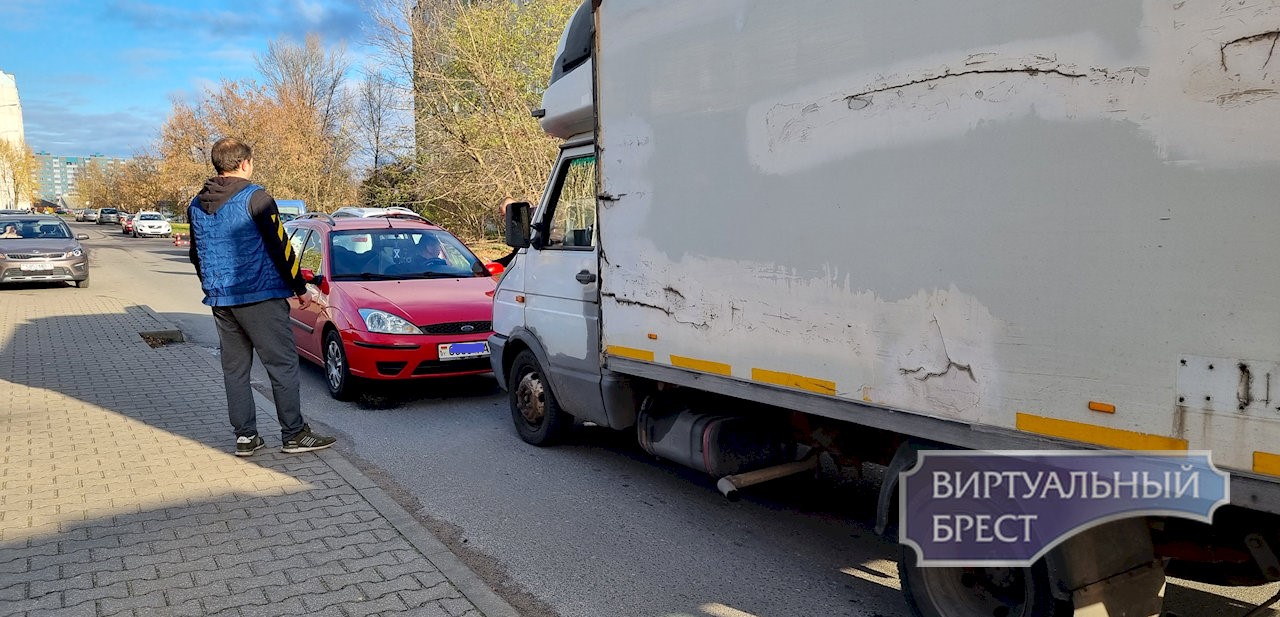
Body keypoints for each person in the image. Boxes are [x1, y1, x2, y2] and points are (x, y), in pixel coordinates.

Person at [188, 137, 336, 457]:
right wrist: (299, 289)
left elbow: (195, 253)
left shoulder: (195, 204)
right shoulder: (257, 198)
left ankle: (246, 437)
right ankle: (294, 434)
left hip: (221, 299)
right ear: (244, 163)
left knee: (236, 370)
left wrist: (212, 285)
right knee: (281, 365)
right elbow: (281, 247)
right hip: (260, 295)